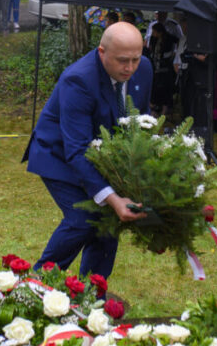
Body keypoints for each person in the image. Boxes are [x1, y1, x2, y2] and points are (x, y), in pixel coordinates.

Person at [24, 22, 152, 279]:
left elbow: (139, 119)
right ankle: (38, 285)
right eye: (122, 61)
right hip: (58, 154)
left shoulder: (144, 69)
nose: (130, 68)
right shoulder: (78, 80)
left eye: (135, 59)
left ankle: (93, 294)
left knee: (108, 224)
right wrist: (114, 198)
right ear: (102, 52)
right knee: (84, 218)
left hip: (102, 154)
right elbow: (77, 150)